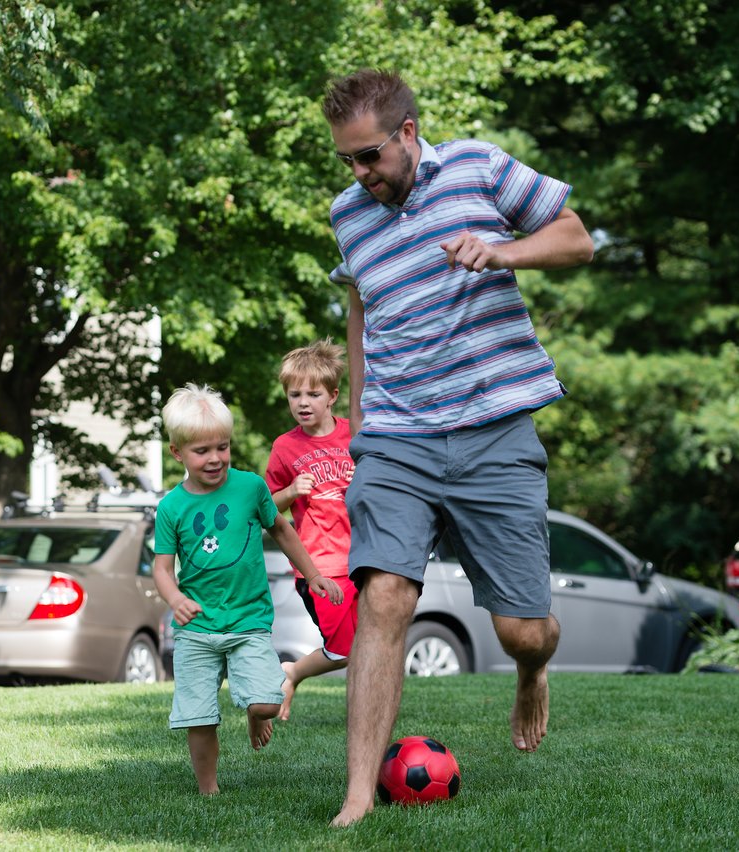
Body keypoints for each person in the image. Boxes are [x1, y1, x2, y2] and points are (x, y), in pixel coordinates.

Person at [320, 68, 595, 827]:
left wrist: (504, 254)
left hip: (494, 430)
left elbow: (577, 240)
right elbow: (360, 310)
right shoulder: (348, 214)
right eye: (347, 160)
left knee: (523, 629)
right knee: (386, 596)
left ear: (408, 134)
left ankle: (532, 673)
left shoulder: (477, 166)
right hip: (399, 436)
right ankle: (355, 797)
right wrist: (361, 423)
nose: (361, 174)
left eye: (370, 156)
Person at [152, 383, 343, 796]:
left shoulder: (251, 487)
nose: (216, 458)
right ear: (177, 453)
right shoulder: (171, 507)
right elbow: (162, 568)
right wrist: (175, 598)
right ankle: (209, 789)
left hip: (249, 619)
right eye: (202, 451)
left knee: (266, 703)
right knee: (199, 717)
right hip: (197, 629)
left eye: (222, 447)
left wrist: (312, 574)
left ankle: (255, 712)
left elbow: (281, 529)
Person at [263, 340, 358, 721]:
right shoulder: (285, 447)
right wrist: (289, 491)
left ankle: (363, 713)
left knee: (371, 645)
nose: (303, 402)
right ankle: (294, 671)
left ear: (333, 396)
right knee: (344, 649)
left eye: (313, 394)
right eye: (294, 394)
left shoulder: (356, 433)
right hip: (319, 566)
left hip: (363, 560)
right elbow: (265, 508)